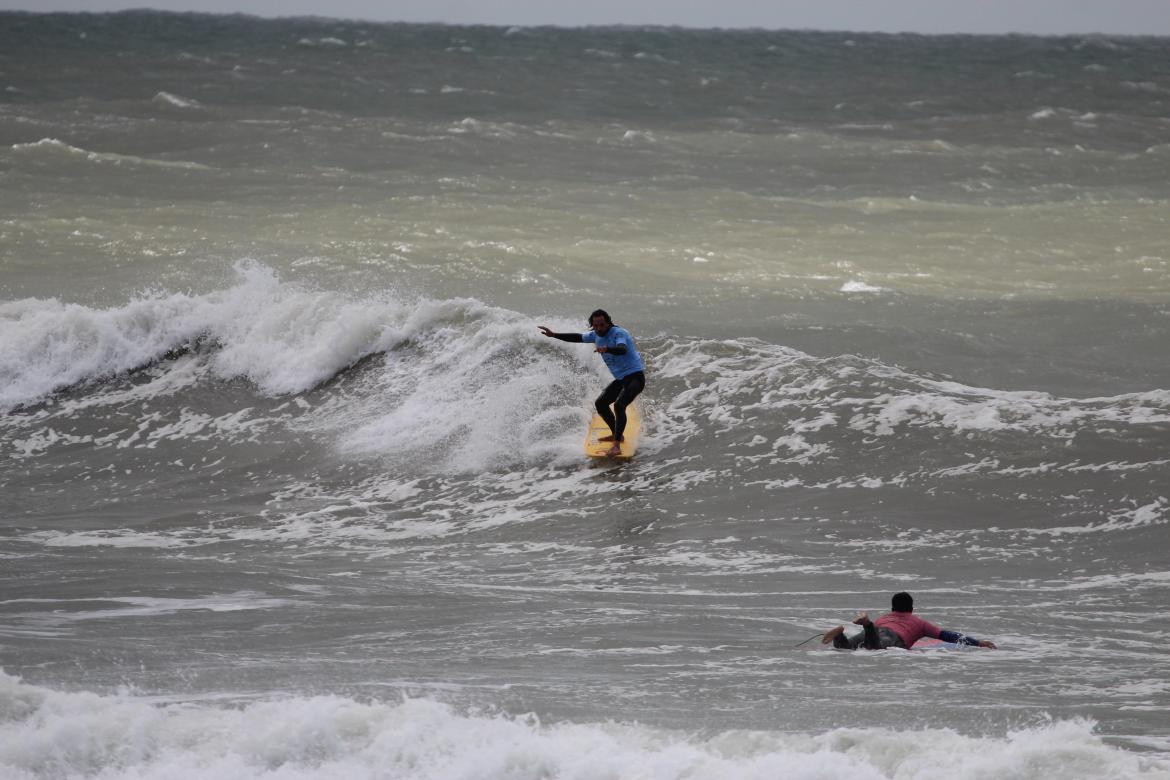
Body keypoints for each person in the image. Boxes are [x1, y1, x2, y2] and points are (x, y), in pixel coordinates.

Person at [538, 309, 646, 457]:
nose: (599, 328)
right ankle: (617, 435)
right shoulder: (595, 336)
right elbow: (577, 337)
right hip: (621, 380)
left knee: (619, 405)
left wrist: (607, 348)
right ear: (592, 325)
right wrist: (554, 335)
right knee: (601, 404)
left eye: (602, 325)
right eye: (596, 326)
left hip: (635, 377)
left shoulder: (619, 333)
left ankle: (616, 445)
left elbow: (622, 349)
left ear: (608, 323)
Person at [822, 592, 997, 650]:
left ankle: (840, 634)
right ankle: (867, 624)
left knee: (845, 649)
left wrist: (872, 627)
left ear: (892, 608)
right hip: (892, 636)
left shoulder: (885, 616)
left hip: (878, 627)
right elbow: (948, 636)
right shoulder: (918, 623)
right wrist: (978, 643)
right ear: (911, 609)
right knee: (875, 648)